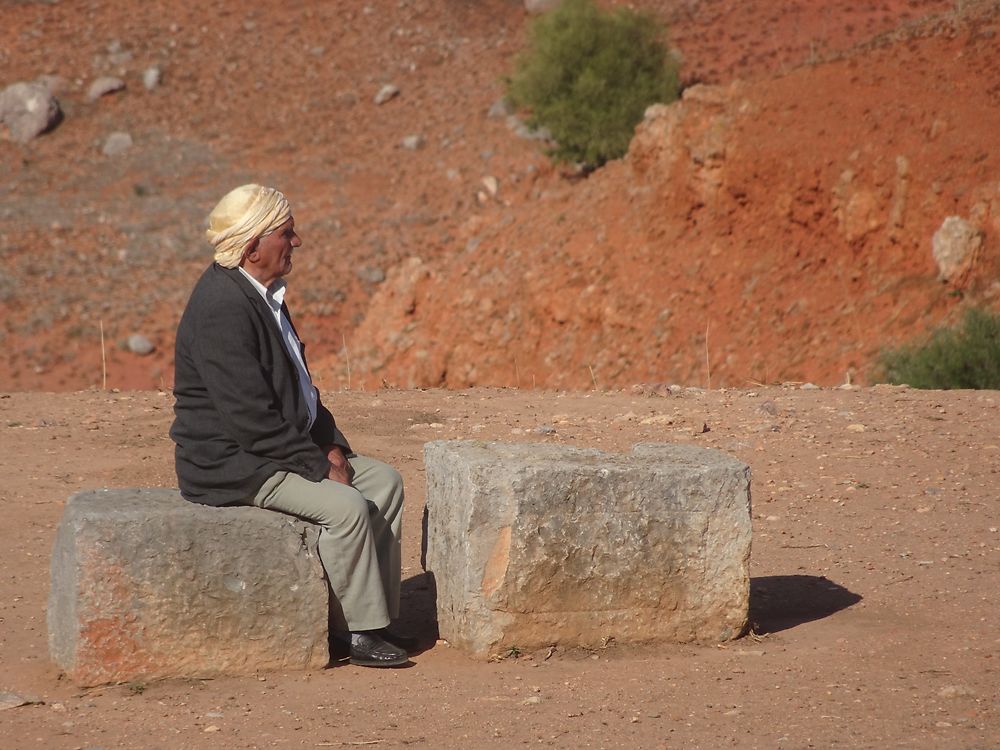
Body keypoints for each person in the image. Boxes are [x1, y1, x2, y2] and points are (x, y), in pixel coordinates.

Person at [170, 184, 410, 668]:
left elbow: (299, 391)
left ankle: (373, 616)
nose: (296, 242)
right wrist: (315, 465)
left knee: (384, 483)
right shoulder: (223, 307)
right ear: (252, 244)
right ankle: (355, 634)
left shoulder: (261, 295)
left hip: (277, 447)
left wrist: (331, 446)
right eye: (287, 232)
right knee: (344, 507)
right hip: (235, 463)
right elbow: (248, 418)